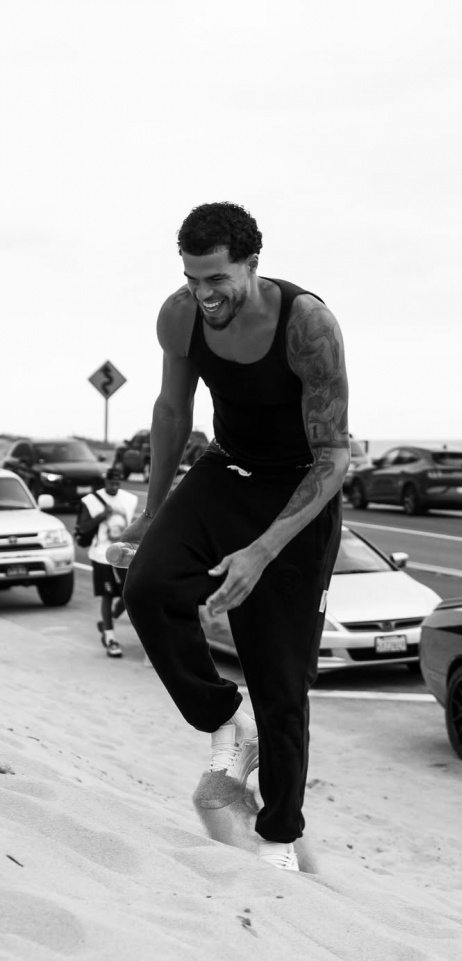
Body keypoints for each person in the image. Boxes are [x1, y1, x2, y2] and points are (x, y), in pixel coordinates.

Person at [119, 202, 349, 872]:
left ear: (251, 264)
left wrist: (260, 552)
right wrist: (152, 510)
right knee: (148, 587)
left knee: (281, 684)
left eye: (217, 278)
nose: (205, 293)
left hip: (300, 489)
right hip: (226, 470)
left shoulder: (306, 324)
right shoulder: (180, 314)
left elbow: (334, 457)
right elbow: (172, 408)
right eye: (193, 279)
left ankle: (278, 838)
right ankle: (225, 718)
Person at [79, 467, 138, 657]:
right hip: (101, 555)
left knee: (130, 595)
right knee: (107, 595)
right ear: (105, 482)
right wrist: (101, 516)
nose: (114, 486)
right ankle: (110, 638)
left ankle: (107, 621)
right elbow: (82, 527)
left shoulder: (129, 499)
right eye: (111, 483)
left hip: (124, 554)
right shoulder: (91, 501)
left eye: (117, 483)